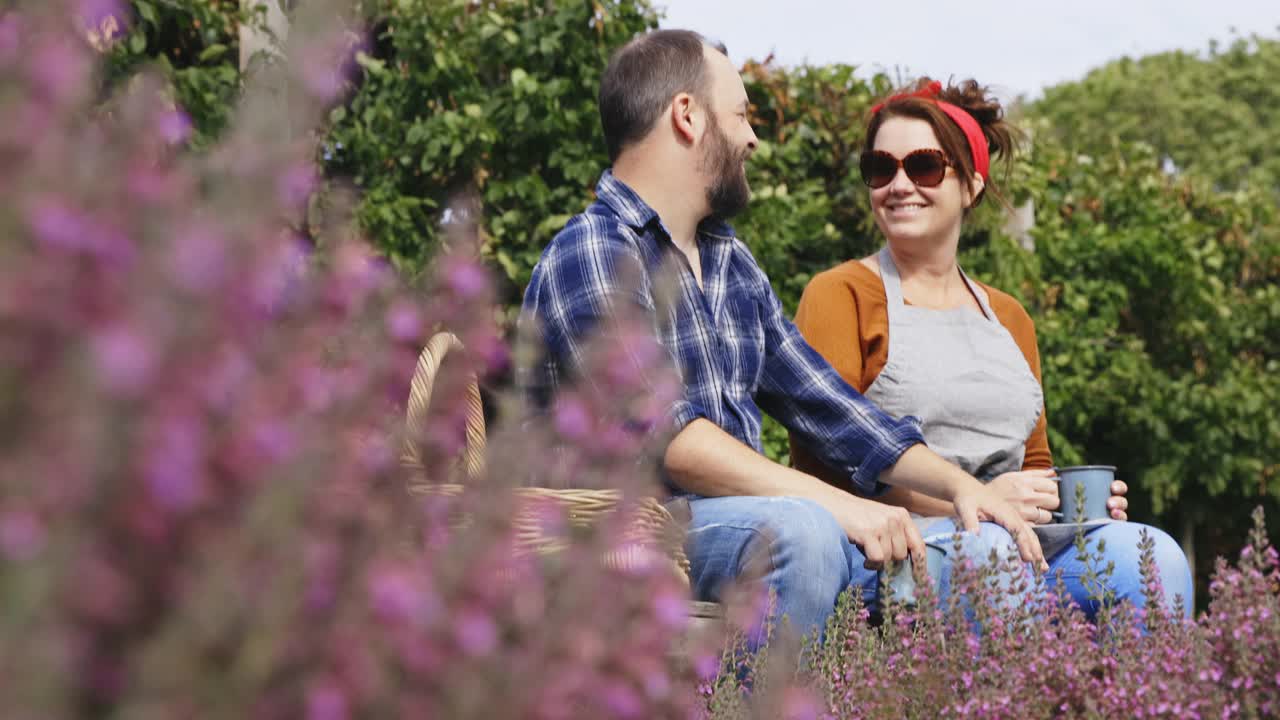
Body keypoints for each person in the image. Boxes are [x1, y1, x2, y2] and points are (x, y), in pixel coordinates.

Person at [519, 30, 1045, 640]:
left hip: (740, 524)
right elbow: (671, 441)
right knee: (804, 531)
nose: (751, 137)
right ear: (687, 116)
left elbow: (833, 408)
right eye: (740, 114)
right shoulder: (592, 252)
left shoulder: (728, 263)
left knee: (985, 552)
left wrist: (962, 489)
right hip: (626, 534)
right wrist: (844, 507)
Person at [791, 78, 1193, 617]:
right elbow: (823, 476)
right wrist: (972, 503)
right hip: (891, 549)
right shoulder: (840, 295)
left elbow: (1035, 465)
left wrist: (1072, 505)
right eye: (881, 168)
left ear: (971, 186)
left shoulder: (1008, 317)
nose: (899, 184)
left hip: (1016, 543)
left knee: (1152, 557)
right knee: (988, 553)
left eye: (925, 166)